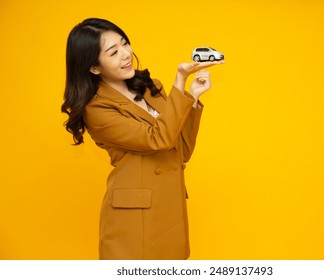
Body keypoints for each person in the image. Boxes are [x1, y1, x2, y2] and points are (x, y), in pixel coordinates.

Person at [61, 18, 223, 260]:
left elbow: (181, 150)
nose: (126, 54)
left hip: (170, 207)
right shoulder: (97, 109)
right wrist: (179, 81)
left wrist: (194, 98)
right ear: (94, 67)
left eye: (125, 43)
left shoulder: (150, 87)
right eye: (113, 52)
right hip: (134, 217)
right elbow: (158, 139)